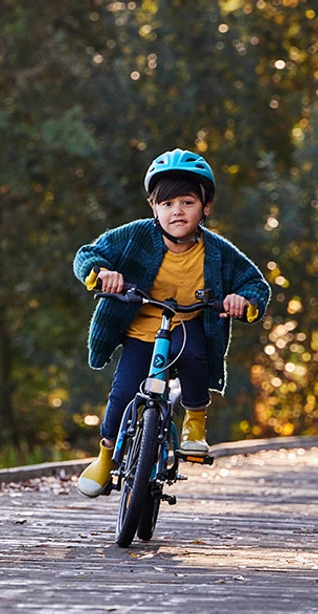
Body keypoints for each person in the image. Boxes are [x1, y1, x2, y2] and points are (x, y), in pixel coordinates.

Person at [72, 148, 270, 498]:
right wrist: (102, 273)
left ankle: (194, 422)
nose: (176, 211)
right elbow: (88, 253)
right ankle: (105, 456)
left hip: (187, 324)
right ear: (153, 208)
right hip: (140, 329)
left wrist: (243, 300)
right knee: (122, 393)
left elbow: (254, 283)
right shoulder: (133, 236)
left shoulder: (218, 251)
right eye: (166, 204)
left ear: (205, 207)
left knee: (196, 356)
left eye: (187, 202)